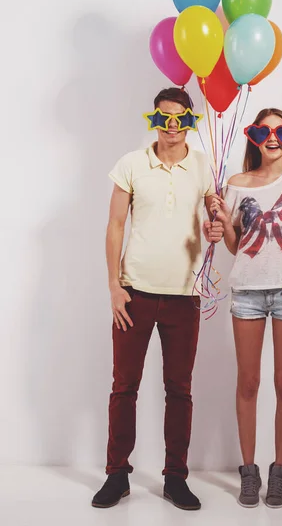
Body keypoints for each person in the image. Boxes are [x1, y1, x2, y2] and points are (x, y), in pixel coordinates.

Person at [92, 87, 223, 511]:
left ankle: (175, 478)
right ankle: (117, 474)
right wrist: (114, 285)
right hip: (135, 293)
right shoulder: (131, 164)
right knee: (123, 386)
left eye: (181, 119)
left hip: (185, 295)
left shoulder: (202, 166)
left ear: (190, 121)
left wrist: (214, 229)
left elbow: (213, 219)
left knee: (179, 390)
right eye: (164, 118)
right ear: (154, 119)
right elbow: (115, 226)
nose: (172, 126)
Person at [211, 108, 282, 509]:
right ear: (254, 137)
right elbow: (236, 246)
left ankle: (279, 471)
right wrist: (224, 222)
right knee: (248, 383)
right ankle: (248, 472)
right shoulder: (236, 184)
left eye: (281, 131)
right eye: (263, 130)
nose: (272, 137)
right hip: (248, 293)